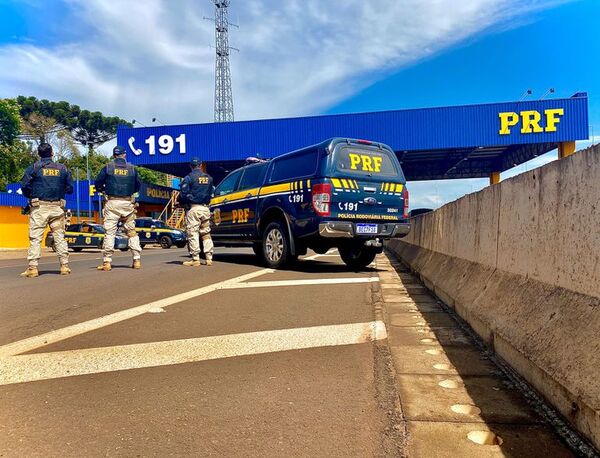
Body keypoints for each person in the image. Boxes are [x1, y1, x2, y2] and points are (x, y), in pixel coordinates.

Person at [19, 143, 74, 278]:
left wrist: (32, 196)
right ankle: (64, 266)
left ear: (39, 154)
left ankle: (33, 268)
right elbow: (70, 188)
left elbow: (24, 186)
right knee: (59, 237)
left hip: (39, 208)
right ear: (52, 153)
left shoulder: (33, 168)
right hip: (57, 208)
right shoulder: (63, 169)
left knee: (35, 238)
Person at [95, 145, 142, 271]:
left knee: (109, 233)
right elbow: (138, 185)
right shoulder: (132, 168)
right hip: (128, 203)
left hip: (112, 203)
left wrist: (102, 190)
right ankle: (136, 260)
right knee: (131, 232)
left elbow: (98, 183)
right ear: (124, 155)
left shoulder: (108, 167)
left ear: (113, 155)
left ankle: (107, 262)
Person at [178, 158, 214, 266]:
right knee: (206, 233)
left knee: (192, 233)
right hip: (205, 209)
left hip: (194, 209)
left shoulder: (188, 178)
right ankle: (209, 258)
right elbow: (212, 193)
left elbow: (183, 194)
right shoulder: (209, 178)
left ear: (191, 166)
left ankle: (195, 259)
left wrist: (185, 202)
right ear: (201, 165)